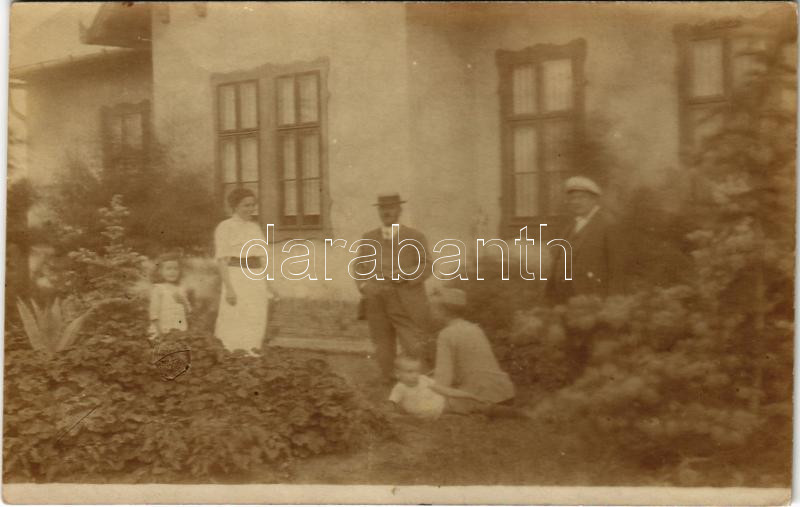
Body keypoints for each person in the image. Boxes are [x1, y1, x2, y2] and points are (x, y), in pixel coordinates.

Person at [354, 194, 432, 384]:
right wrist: (364, 286)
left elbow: (427, 265)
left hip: (405, 300)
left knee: (412, 344)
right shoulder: (368, 237)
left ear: (399, 210)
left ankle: (419, 382)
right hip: (376, 300)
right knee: (382, 343)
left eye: (391, 208)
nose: (386, 212)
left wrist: (404, 274)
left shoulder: (415, 236)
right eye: (382, 208)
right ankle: (388, 379)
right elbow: (359, 266)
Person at [430, 288, 516, 414]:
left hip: (478, 397)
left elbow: (443, 381)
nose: (431, 312)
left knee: (425, 401)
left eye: (433, 308)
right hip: (505, 394)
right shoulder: (475, 329)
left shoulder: (446, 334)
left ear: (443, 310)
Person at [213, 188, 276, 354]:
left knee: (255, 316)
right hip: (236, 277)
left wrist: (268, 283)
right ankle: (232, 356)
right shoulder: (225, 227)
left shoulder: (255, 228)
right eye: (246, 205)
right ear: (235, 206)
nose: (251, 209)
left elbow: (263, 258)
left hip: (256, 278)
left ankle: (252, 355)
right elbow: (222, 260)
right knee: (235, 316)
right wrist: (229, 288)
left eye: (253, 205)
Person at [545, 176, 624, 305]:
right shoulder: (571, 226)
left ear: (594, 199)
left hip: (594, 301)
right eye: (572, 198)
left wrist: (612, 303)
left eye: (581, 197)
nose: (576, 202)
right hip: (564, 300)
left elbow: (617, 269)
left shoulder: (608, 225)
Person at [388, 355, 482, 419]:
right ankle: (478, 409)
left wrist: (471, 396)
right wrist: (391, 413)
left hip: (437, 406)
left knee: (457, 402)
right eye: (410, 372)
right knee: (457, 406)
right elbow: (391, 403)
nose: (415, 375)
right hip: (428, 412)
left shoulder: (423, 379)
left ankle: (477, 406)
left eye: (417, 371)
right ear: (398, 374)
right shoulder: (400, 388)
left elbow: (446, 391)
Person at [149, 252, 191, 338]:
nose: (172, 272)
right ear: (160, 271)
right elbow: (154, 314)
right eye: (168, 269)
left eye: (176, 269)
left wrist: (183, 302)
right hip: (162, 331)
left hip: (179, 330)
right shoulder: (159, 289)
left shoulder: (181, 289)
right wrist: (160, 332)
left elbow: (188, 311)